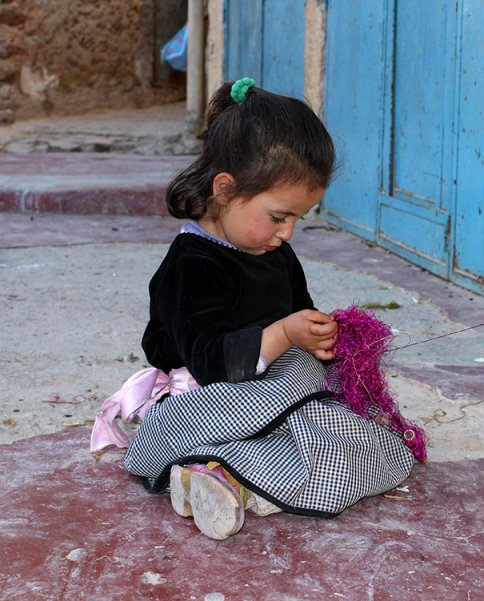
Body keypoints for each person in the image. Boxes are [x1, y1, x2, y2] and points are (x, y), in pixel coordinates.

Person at [91, 78, 416, 540]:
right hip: (207, 398)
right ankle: (220, 476)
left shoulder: (273, 251)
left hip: (272, 392)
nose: (287, 234)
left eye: (298, 220)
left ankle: (224, 480)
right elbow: (211, 364)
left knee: (363, 444)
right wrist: (285, 334)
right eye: (279, 217)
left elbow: (298, 312)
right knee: (283, 441)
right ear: (225, 190)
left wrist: (323, 336)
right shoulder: (191, 264)